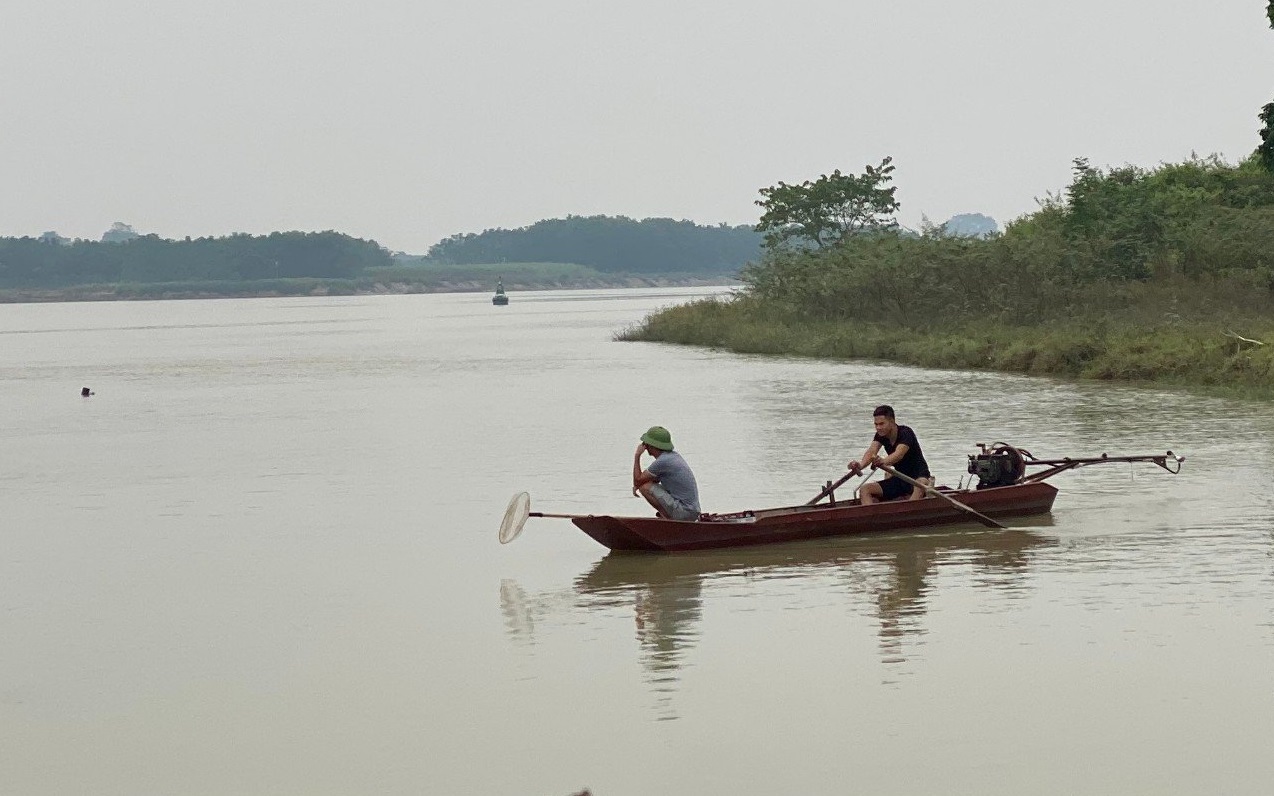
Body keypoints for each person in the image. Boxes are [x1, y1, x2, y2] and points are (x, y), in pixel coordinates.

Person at [849, 405, 932, 504]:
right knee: (865, 489)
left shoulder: (906, 433)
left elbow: (898, 454)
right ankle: (871, 518)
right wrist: (860, 465)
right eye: (876, 424)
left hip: (918, 477)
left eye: (881, 424)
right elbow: (871, 452)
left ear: (892, 421)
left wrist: (883, 461)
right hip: (900, 479)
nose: (878, 428)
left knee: (920, 485)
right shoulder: (881, 435)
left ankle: (908, 514)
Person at [632, 426, 701, 520]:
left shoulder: (663, 461)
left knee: (645, 488)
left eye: (645, 444)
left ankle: (668, 519)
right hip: (692, 511)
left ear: (652, 446)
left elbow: (638, 480)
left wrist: (637, 456)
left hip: (685, 512)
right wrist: (639, 483)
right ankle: (668, 516)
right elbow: (647, 479)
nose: (645, 447)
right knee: (646, 484)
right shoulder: (672, 457)